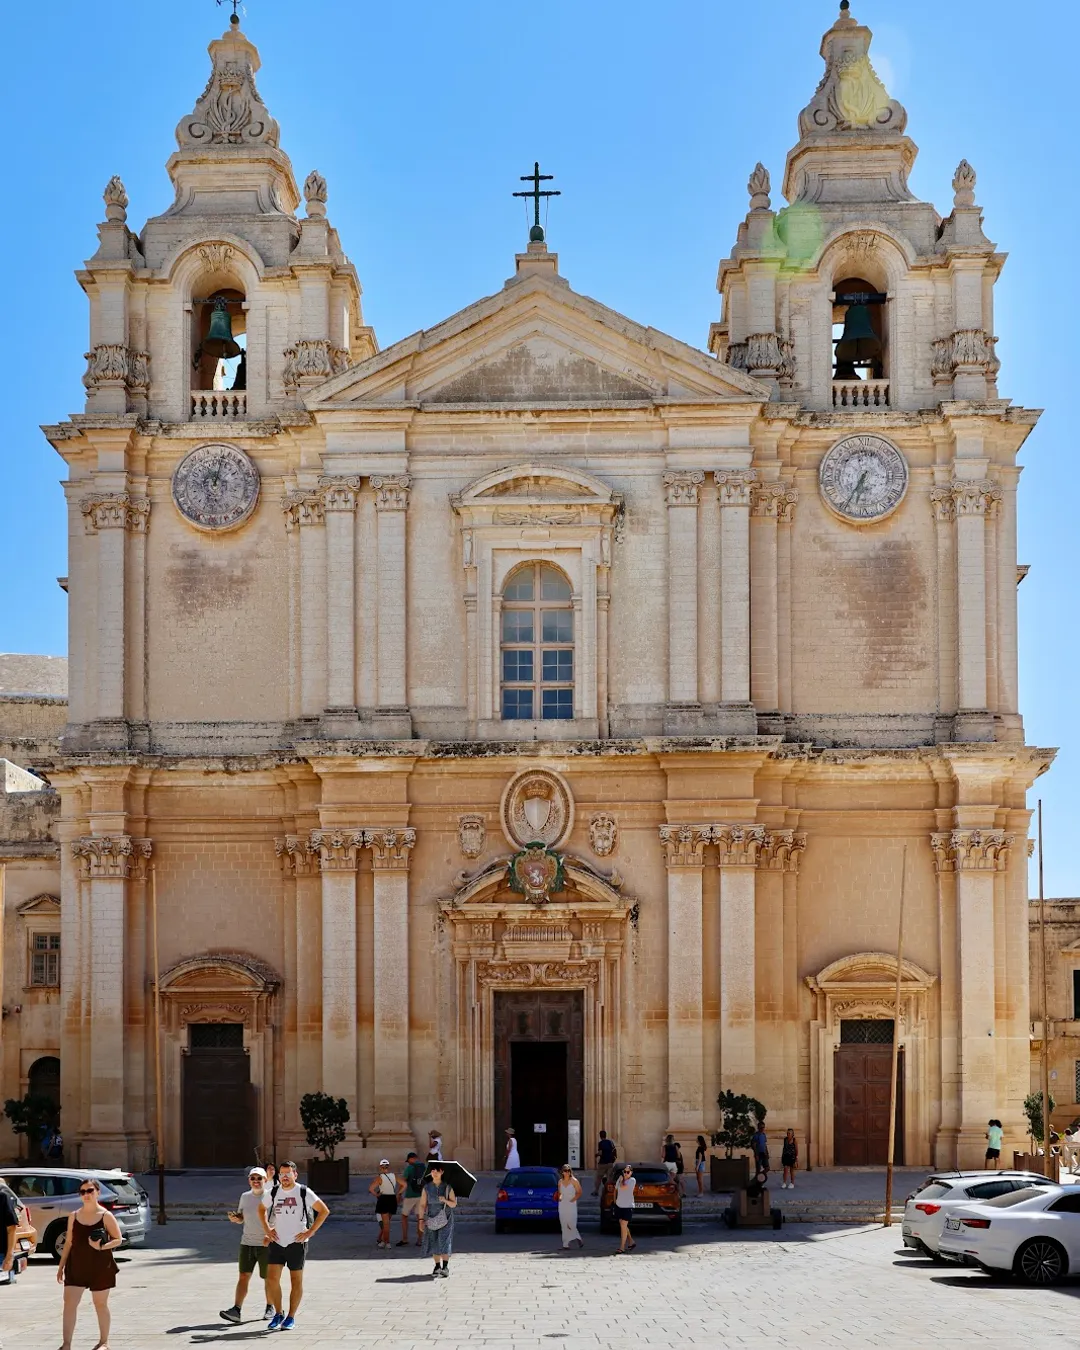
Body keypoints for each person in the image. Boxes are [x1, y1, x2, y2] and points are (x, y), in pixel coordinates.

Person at [55, 1176, 123, 1350]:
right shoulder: (74, 1216)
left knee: (100, 1304)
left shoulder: (105, 1216)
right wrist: (61, 1266)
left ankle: (104, 1342)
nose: (86, 1194)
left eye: (90, 1191)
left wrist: (101, 1247)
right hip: (76, 1265)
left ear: (98, 1193)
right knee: (69, 1304)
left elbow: (118, 1239)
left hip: (100, 1266)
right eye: (83, 1192)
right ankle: (66, 1344)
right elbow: (69, 1242)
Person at [261, 1161, 330, 1332]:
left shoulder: (303, 1192)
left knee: (295, 1280)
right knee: (272, 1280)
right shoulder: (274, 1191)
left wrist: (310, 1232)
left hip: (296, 1243)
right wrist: (267, 1230)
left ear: (295, 1174)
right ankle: (278, 1313)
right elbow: (261, 1209)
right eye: (282, 1173)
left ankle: (290, 1317)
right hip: (277, 1241)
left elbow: (324, 1211)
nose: (284, 1176)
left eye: (288, 1173)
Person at [219, 1166, 274, 1324]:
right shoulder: (245, 1196)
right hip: (247, 1242)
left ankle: (271, 1306)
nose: (256, 1181)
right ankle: (236, 1310)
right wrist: (237, 1219)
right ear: (249, 1180)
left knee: (268, 1278)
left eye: (259, 1178)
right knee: (243, 1276)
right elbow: (242, 1216)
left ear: (265, 1180)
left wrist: (270, 1234)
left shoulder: (271, 1197)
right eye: (253, 1178)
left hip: (267, 1244)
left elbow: (280, 1218)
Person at [419, 1162, 457, 1278]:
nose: (434, 1173)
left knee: (444, 1241)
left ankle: (445, 1267)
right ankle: (437, 1266)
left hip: (446, 1218)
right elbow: (422, 1205)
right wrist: (421, 1219)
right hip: (431, 1217)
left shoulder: (447, 1187)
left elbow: (454, 1204)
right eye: (432, 1171)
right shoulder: (427, 1188)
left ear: (442, 1172)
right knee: (434, 1241)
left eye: (437, 1170)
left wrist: (445, 1200)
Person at [397, 1151, 426, 1246]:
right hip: (421, 1196)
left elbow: (403, 1182)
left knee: (404, 1216)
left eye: (408, 1160)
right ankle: (420, 1239)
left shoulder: (409, 1168)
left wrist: (399, 1194)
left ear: (410, 1159)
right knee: (420, 1218)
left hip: (410, 1196)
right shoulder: (424, 1167)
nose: (408, 1162)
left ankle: (405, 1239)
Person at [369, 1160, 398, 1249]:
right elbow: (404, 1184)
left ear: (380, 1167)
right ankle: (383, 1241)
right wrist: (399, 1193)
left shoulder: (379, 1177)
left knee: (385, 1224)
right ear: (388, 1167)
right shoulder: (394, 1176)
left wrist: (377, 1195)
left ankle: (386, 1242)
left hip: (384, 1199)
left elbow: (371, 1189)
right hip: (392, 1198)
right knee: (387, 1223)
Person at [556, 1164, 583, 1250]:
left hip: (571, 1204)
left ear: (570, 1172)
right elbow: (560, 1193)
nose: (567, 1172)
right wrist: (559, 1198)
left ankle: (578, 1238)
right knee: (564, 1223)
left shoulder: (574, 1181)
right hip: (563, 1204)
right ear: (562, 1172)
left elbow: (579, 1192)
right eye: (565, 1171)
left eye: (568, 1171)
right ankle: (565, 1244)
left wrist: (573, 1199)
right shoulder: (560, 1182)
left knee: (571, 1223)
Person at [613, 1164, 637, 1254]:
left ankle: (622, 1247)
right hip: (619, 1205)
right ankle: (631, 1241)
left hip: (628, 1206)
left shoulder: (632, 1180)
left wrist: (622, 1179)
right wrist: (614, 1201)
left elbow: (624, 1187)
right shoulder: (620, 1179)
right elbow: (615, 1189)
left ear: (631, 1173)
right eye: (624, 1171)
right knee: (623, 1226)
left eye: (628, 1172)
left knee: (623, 1225)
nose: (626, 1173)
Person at [594, 1130, 617, 1196]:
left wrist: (596, 1155)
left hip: (603, 1163)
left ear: (600, 1136)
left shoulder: (601, 1143)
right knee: (609, 1178)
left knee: (599, 1177)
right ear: (605, 1135)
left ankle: (596, 1191)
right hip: (610, 1163)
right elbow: (614, 1150)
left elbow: (600, 1153)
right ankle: (608, 1191)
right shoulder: (610, 1142)